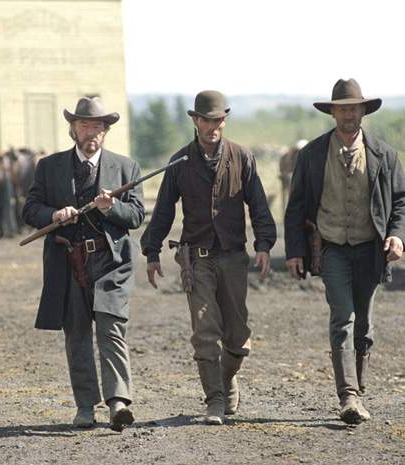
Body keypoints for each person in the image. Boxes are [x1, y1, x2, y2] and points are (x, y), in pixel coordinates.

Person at [140, 90, 276, 425]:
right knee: (205, 331)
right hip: (196, 259)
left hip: (233, 257)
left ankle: (226, 377)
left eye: (218, 120)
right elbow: (162, 210)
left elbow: (258, 204)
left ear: (224, 121)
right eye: (206, 119)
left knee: (238, 337)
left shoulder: (242, 157)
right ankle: (214, 399)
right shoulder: (180, 162)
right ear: (195, 121)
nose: (212, 126)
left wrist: (264, 244)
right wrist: (152, 250)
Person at [284, 78, 405, 424]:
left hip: (370, 250)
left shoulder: (385, 155)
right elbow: (296, 208)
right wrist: (295, 251)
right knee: (343, 319)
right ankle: (348, 396)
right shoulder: (312, 156)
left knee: (364, 326)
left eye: (354, 108)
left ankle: (358, 387)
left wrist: (397, 235)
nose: (349, 114)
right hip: (332, 249)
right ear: (333, 112)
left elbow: (401, 201)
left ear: (363, 112)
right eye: (342, 109)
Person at [23, 97, 145, 431]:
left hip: (112, 264)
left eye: (98, 127)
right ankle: (85, 406)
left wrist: (110, 208)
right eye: (85, 125)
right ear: (73, 129)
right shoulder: (49, 167)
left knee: (111, 328)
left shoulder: (126, 167)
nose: (92, 132)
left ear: (106, 132)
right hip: (68, 262)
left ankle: (118, 402)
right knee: (76, 333)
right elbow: (30, 208)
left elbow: (135, 215)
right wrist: (53, 214)